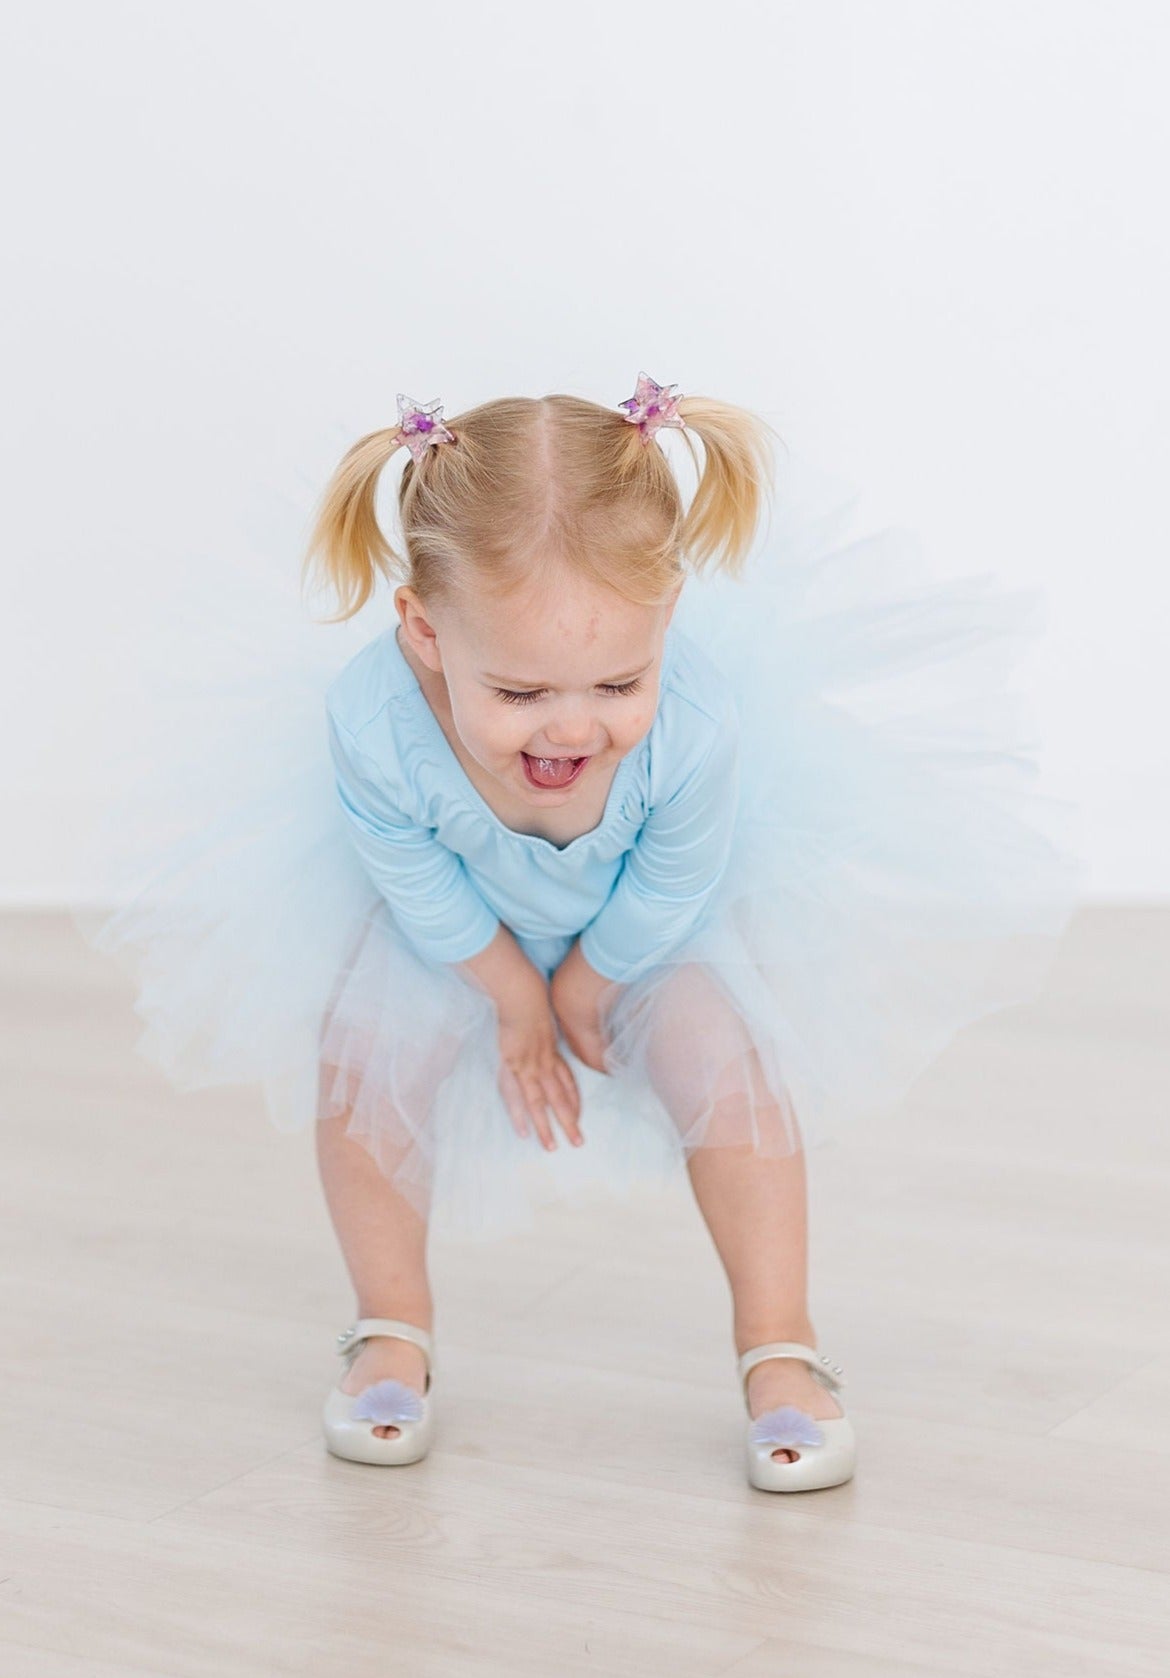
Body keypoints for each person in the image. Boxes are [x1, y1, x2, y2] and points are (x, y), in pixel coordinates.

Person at [78, 374, 1080, 1491]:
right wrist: (513, 992)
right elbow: (411, 873)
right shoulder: (373, 719)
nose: (571, 727)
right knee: (360, 1059)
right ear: (423, 632)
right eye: (519, 693)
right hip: (459, 928)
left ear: (667, 623)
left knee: (729, 1068)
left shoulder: (692, 725)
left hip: (645, 925)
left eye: (616, 682)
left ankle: (781, 1345)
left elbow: (676, 876)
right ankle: (390, 1326)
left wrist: (593, 979)